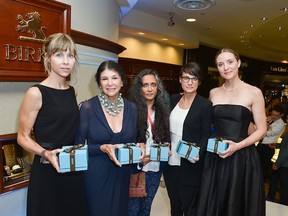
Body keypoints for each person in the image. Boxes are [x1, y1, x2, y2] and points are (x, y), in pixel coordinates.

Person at [17, 33, 88, 216]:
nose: (66, 61)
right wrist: (45, 153)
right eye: (59, 55)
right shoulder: (36, 93)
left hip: (72, 167)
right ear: (47, 58)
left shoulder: (73, 91)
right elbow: (22, 137)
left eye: (70, 55)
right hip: (47, 168)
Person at [197, 48, 267, 216]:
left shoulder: (254, 92)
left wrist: (237, 146)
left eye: (229, 62)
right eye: (220, 64)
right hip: (215, 156)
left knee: (236, 203)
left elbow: (262, 129)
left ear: (238, 63)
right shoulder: (213, 92)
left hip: (241, 157)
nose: (225, 67)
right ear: (217, 67)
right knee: (213, 201)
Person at [75, 60, 139, 216]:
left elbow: (133, 142)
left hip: (122, 173)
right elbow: (76, 148)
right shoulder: (88, 107)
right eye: (104, 79)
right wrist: (101, 148)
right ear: (99, 83)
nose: (110, 83)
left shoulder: (132, 108)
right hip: (95, 175)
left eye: (114, 78)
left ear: (122, 81)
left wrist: (140, 150)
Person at [163, 62, 212, 216]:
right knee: (175, 205)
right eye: (186, 78)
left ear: (199, 82)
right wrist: (165, 142)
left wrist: (198, 151)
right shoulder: (173, 99)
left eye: (194, 79)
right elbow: (165, 127)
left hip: (190, 164)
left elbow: (206, 135)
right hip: (171, 163)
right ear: (180, 80)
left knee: (190, 207)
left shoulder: (205, 105)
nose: (190, 82)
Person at [127, 69, 170, 216]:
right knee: (132, 210)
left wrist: (166, 145)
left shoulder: (163, 110)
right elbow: (125, 139)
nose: (150, 89)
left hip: (154, 167)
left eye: (153, 84)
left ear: (158, 87)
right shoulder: (130, 110)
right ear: (139, 88)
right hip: (135, 167)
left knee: (146, 209)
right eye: (145, 85)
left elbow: (165, 136)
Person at [257, 104, 285, 181]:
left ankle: (261, 182)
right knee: (256, 163)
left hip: (268, 147)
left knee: (264, 167)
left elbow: (268, 133)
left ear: (281, 115)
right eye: (272, 114)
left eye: (276, 115)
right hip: (260, 144)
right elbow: (258, 127)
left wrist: (266, 126)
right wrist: (265, 122)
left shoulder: (281, 124)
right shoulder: (268, 119)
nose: (273, 116)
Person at [271, 131, 288, 205]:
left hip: (285, 165)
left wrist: (277, 164)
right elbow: (284, 144)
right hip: (284, 164)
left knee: (284, 187)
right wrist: (276, 145)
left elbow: (286, 152)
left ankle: (283, 205)